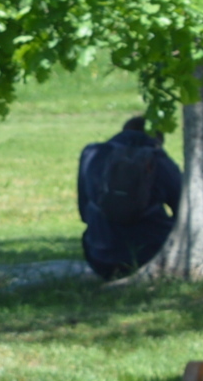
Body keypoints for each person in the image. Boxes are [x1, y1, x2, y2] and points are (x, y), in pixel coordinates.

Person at [76, 116, 182, 279]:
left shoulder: (92, 154)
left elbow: (84, 211)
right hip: (149, 254)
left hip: (100, 257)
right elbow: (183, 206)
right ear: (157, 140)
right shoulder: (157, 159)